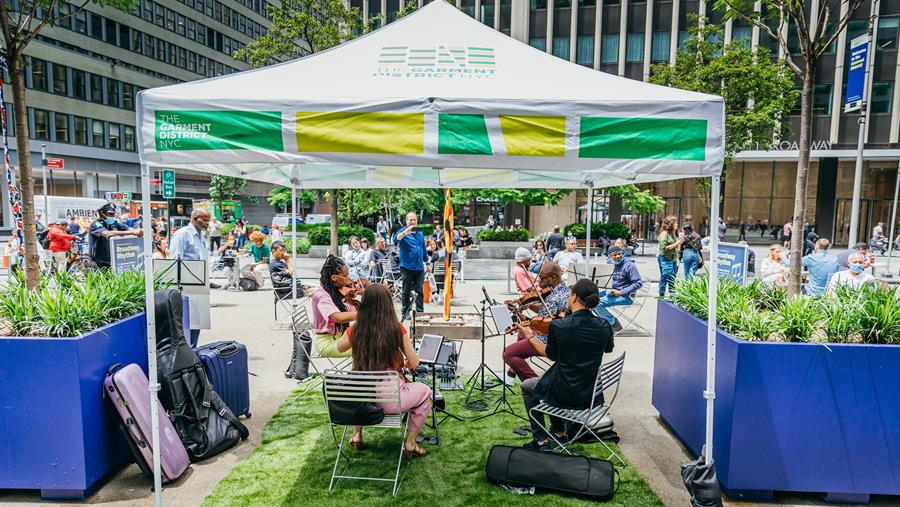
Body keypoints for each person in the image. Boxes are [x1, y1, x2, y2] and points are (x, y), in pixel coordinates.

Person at [336, 283, 430, 458]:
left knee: (361, 384)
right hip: (389, 400)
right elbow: (415, 361)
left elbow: (339, 347)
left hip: (359, 401)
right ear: (388, 304)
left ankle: (357, 434)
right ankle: (410, 443)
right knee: (425, 392)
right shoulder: (396, 329)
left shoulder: (356, 328)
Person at [520, 278, 613, 450]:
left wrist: (529, 335)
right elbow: (608, 348)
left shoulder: (559, 326)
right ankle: (559, 431)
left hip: (565, 393)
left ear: (574, 297)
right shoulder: (604, 325)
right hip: (591, 393)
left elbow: (550, 355)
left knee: (528, 386)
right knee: (554, 379)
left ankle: (540, 440)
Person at [502, 262, 570, 384]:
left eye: (542, 278)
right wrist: (529, 305)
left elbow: (542, 324)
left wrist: (523, 320)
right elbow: (544, 311)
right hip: (550, 332)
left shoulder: (556, 297)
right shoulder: (561, 290)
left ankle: (535, 384)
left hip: (547, 340)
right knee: (522, 334)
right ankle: (511, 374)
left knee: (508, 353)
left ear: (553, 278)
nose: (538, 281)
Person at [169, 209, 211, 347]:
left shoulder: (201, 236)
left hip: (199, 284)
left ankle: (193, 350)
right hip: (186, 285)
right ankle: (187, 352)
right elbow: (174, 260)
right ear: (194, 218)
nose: (207, 223)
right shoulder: (182, 235)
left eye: (208, 220)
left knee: (197, 321)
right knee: (187, 321)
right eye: (204, 220)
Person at [312, 255, 358, 357]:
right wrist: (364, 314)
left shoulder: (332, 291)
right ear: (334, 277)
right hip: (326, 342)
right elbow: (338, 317)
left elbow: (344, 310)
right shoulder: (322, 296)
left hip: (339, 336)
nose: (348, 280)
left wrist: (350, 303)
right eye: (345, 277)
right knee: (370, 347)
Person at [593, 246, 642, 332]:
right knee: (590, 299)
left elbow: (638, 283)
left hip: (626, 295)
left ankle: (614, 323)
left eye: (619, 254)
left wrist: (620, 292)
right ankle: (605, 323)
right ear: (610, 256)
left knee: (596, 304)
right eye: (615, 255)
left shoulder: (630, 265)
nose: (618, 256)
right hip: (612, 291)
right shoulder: (610, 263)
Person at [392, 212, 429, 321]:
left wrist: (427, 263)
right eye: (410, 220)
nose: (412, 222)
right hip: (407, 267)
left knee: (419, 291)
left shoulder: (420, 233)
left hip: (419, 267)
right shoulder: (402, 231)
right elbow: (395, 240)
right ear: (406, 221)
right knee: (406, 291)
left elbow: (423, 249)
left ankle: (420, 313)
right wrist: (405, 232)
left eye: (414, 220)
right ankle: (405, 312)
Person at [89, 203, 143, 269]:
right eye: (110, 214)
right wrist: (133, 232)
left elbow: (130, 229)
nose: (113, 216)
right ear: (101, 214)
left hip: (111, 262)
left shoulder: (115, 223)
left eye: (114, 214)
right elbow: (107, 234)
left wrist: (138, 231)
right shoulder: (96, 224)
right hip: (97, 263)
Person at [657, 216, 683, 297]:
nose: (677, 224)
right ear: (671, 224)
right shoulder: (664, 234)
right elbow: (663, 249)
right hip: (666, 259)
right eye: (676, 223)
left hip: (673, 259)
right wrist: (677, 243)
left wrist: (678, 245)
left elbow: (674, 246)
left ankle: (672, 298)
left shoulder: (673, 233)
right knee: (665, 278)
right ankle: (661, 297)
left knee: (672, 279)